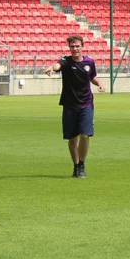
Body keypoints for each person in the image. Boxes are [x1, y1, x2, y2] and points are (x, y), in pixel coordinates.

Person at [44, 35, 104, 178]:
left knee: (85, 135)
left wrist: (100, 84)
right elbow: (57, 65)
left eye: (77, 46)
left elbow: (92, 76)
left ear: (82, 46)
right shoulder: (66, 61)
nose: (75, 49)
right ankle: (76, 165)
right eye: (72, 46)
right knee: (72, 138)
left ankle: (82, 164)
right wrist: (51, 68)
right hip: (70, 105)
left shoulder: (89, 62)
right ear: (69, 48)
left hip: (86, 104)